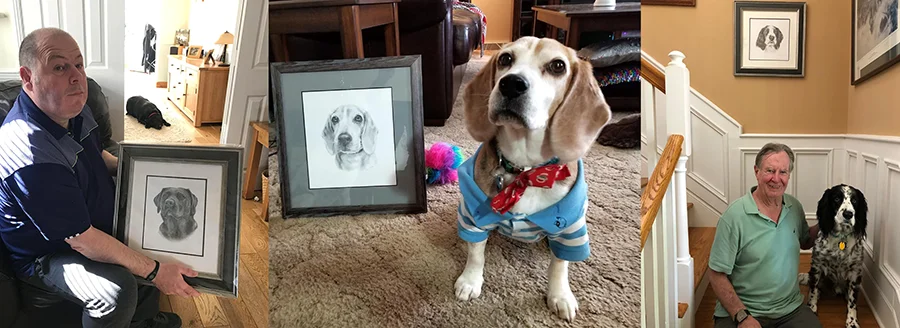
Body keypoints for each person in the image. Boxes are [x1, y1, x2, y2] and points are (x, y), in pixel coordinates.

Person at [0, 27, 199, 328]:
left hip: (87, 226)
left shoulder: (73, 107)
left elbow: (98, 157)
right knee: (114, 290)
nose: (76, 76)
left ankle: (143, 320)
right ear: (27, 77)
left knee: (147, 231)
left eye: (78, 64)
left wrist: (147, 172)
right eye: (59, 66)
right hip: (48, 254)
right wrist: (157, 272)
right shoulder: (29, 149)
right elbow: (83, 240)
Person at [707, 142, 821, 328]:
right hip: (743, 309)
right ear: (756, 171)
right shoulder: (734, 216)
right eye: (769, 171)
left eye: (783, 172)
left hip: (789, 309)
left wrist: (826, 223)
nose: (776, 179)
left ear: (789, 175)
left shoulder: (794, 207)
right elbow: (716, 273)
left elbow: (806, 241)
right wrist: (742, 316)